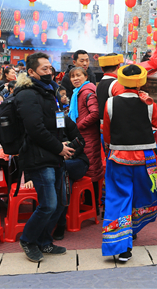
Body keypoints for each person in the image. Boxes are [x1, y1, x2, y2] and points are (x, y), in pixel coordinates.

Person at [101, 64, 157, 262]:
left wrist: (112, 145)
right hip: (145, 159)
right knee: (141, 195)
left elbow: (107, 132)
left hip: (119, 156)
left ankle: (121, 246)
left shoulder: (110, 103)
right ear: (141, 81)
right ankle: (133, 229)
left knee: (118, 198)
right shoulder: (148, 103)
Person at [14, 52, 72, 262]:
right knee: (48, 204)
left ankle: (45, 242)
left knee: (57, 204)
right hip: (38, 157)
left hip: (54, 154)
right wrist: (59, 147)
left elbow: (57, 121)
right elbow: (35, 129)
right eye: (44, 69)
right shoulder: (27, 94)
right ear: (31, 72)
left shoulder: (49, 91)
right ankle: (28, 240)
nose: (50, 72)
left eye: (50, 68)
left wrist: (67, 139)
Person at [68, 67, 104, 212]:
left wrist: (78, 126)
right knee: (89, 169)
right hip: (83, 137)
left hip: (88, 136)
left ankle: (93, 205)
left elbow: (95, 113)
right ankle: (90, 204)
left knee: (92, 170)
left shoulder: (87, 92)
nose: (75, 79)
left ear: (85, 76)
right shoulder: (78, 92)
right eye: (72, 76)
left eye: (78, 76)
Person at [51, 116, 90, 241]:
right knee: (64, 178)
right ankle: (60, 223)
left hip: (77, 162)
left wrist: (68, 152)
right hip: (59, 166)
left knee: (62, 170)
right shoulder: (38, 122)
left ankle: (57, 223)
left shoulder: (64, 119)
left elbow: (81, 142)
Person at [96, 54, 124, 129]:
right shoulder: (117, 84)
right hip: (114, 127)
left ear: (102, 69)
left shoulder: (99, 84)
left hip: (102, 125)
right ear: (118, 66)